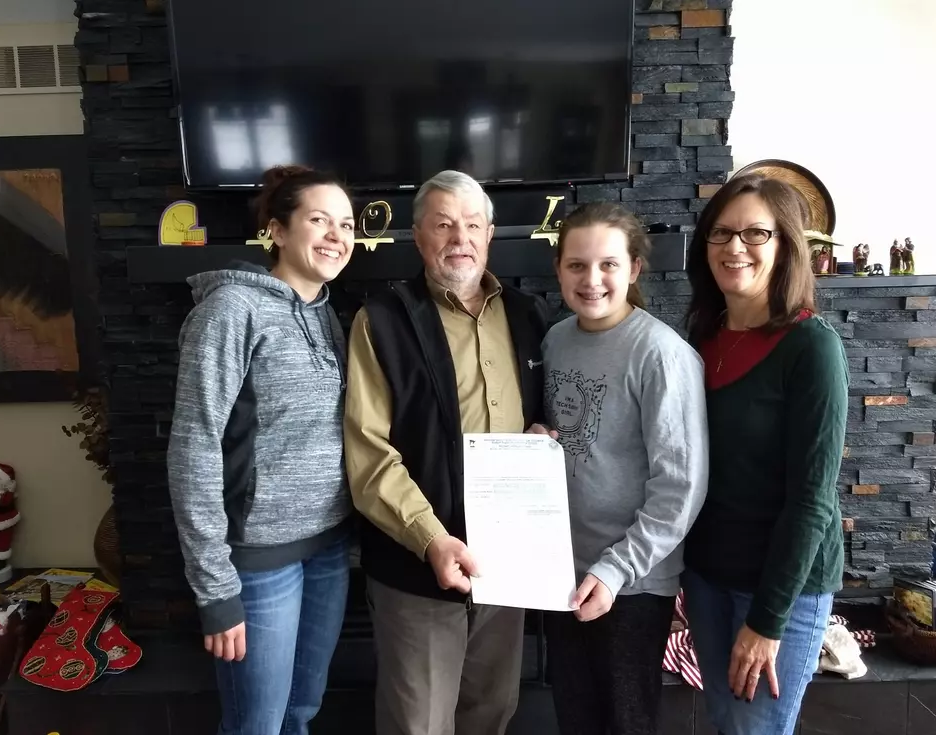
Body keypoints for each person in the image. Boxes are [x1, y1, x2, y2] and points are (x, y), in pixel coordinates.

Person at [343, 169, 550, 735]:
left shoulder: (531, 316)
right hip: (417, 566)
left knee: (492, 712)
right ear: (418, 237)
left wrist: (542, 442)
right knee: (419, 723)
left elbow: (548, 418)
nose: (460, 237)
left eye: (472, 224)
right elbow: (368, 454)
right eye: (443, 225)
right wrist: (431, 539)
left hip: (509, 567)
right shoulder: (381, 321)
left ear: (490, 234)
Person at [167, 165, 357, 735]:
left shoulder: (329, 316)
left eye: (346, 224)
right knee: (258, 724)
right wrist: (215, 588)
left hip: (329, 548)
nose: (336, 236)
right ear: (277, 230)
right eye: (318, 220)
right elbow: (193, 446)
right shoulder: (230, 311)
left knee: (303, 708)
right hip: (255, 561)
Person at [681, 173, 848, 735]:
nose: (734, 247)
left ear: (786, 246)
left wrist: (767, 621)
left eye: (756, 233)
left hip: (782, 587)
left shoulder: (812, 346)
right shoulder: (700, 335)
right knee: (727, 722)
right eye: (721, 233)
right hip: (706, 575)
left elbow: (812, 500)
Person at [540, 202, 709, 735]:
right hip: (562, 573)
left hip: (631, 584)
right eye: (577, 265)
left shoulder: (661, 355)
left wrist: (615, 571)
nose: (592, 280)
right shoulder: (555, 340)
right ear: (559, 269)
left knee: (626, 723)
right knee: (575, 718)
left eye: (608, 264)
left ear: (634, 269)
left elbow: (680, 488)